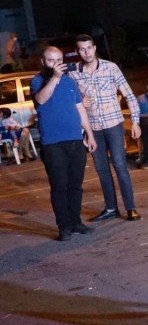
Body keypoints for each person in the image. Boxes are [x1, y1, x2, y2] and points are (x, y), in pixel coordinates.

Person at [71, 33, 142, 222]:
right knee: (102, 168)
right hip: (93, 128)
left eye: (89, 48)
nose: (86, 52)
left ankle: (131, 207)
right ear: (78, 51)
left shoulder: (111, 68)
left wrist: (135, 121)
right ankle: (111, 208)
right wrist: (78, 104)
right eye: (82, 49)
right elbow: (71, 102)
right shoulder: (74, 74)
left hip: (113, 124)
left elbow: (129, 95)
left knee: (119, 165)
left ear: (94, 48)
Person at [32, 46, 97, 241]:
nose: (57, 64)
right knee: (59, 186)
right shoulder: (38, 80)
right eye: (52, 60)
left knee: (75, 185)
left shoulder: (70, 81)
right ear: (43, 62)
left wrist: (90, 134)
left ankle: (76, 222)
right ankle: (64, 226)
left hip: (75, 140)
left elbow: (80, 108)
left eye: (59, 59)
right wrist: (55, 78)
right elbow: (41, 100)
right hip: (53, 143)